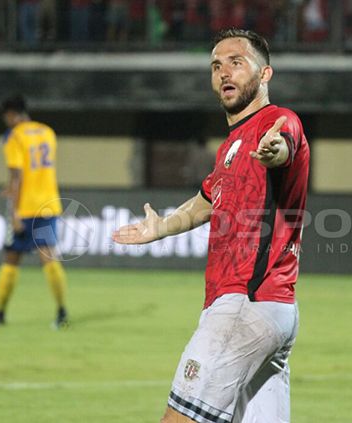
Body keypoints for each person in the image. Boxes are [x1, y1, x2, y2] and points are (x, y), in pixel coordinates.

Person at [113, 29, 309, 423]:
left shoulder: (277, 121)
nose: (225, 73)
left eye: (237, 62)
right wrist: (162, 227)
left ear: (265, 73)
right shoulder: (230, 146)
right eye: (217, 65)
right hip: (274, 309)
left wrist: (276, 151)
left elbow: (282, 147)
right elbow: (208, 199)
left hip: (245, 303)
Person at [0, 94, 68, 329]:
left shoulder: (13, 136)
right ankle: (61, 313)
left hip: (26, 206)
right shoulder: (47, 132)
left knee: (11, 258)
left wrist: (15, 211)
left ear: (10, 114)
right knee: (49, 257)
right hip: (48, 204)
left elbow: (17, 175)